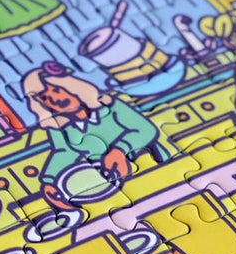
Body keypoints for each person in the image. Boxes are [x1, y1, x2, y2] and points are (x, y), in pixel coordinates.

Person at [22, 62, 159, 207]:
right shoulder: (60, 128)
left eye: (56, 90)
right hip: (120, 184)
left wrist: (119, 151)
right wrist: (49, 182)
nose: (54, 99)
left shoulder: (110, 105)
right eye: (45, 98)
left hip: (155, 167)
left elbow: (145, 130)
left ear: (70, 86)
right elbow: (62, 153)